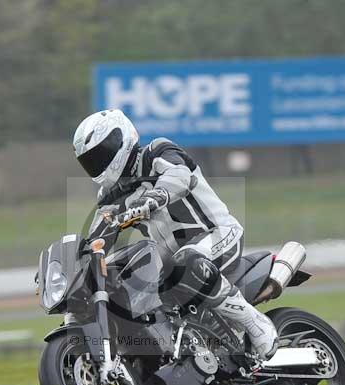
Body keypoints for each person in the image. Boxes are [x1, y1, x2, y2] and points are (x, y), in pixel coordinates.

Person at [73, 109, 277, 360]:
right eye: (91, 160)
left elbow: (180, 175)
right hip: (169, 262)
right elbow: (98, 234)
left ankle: (255, 323)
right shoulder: (110, 194)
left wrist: (157, 195)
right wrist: (79, 257)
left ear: (122, 137)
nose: (99, 162)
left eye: (102, 153)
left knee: (187, 260)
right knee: (133, 291)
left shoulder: (157, 151)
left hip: (218, 235)